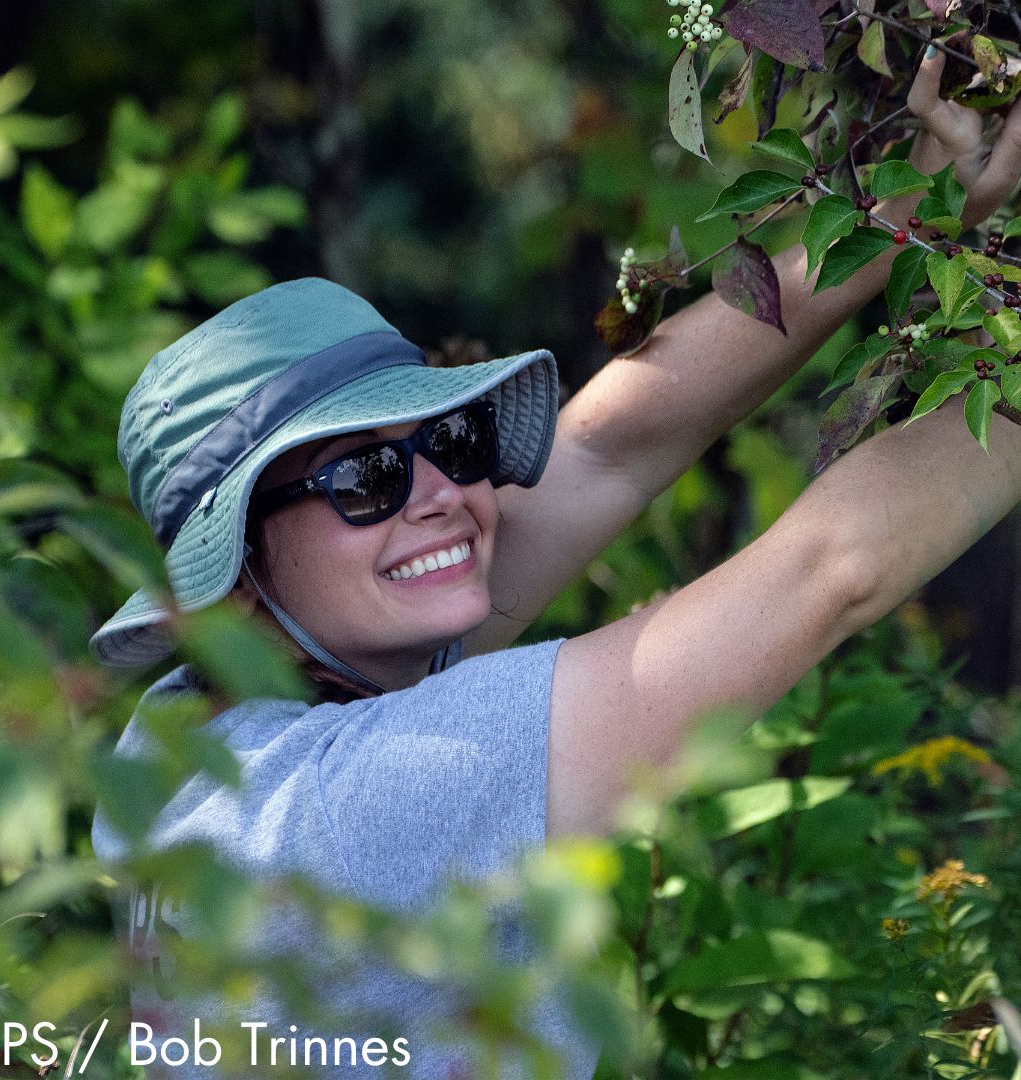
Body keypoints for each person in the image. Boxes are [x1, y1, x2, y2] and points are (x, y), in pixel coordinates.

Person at [90, 51, 1021, 1078]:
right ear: (236, 573)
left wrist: (910, 213)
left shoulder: (195, 735)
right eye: (363, 479)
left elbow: (609, 447)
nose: (440, 493)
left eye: (451, 442)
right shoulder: (359, 803)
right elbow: (829, 572)